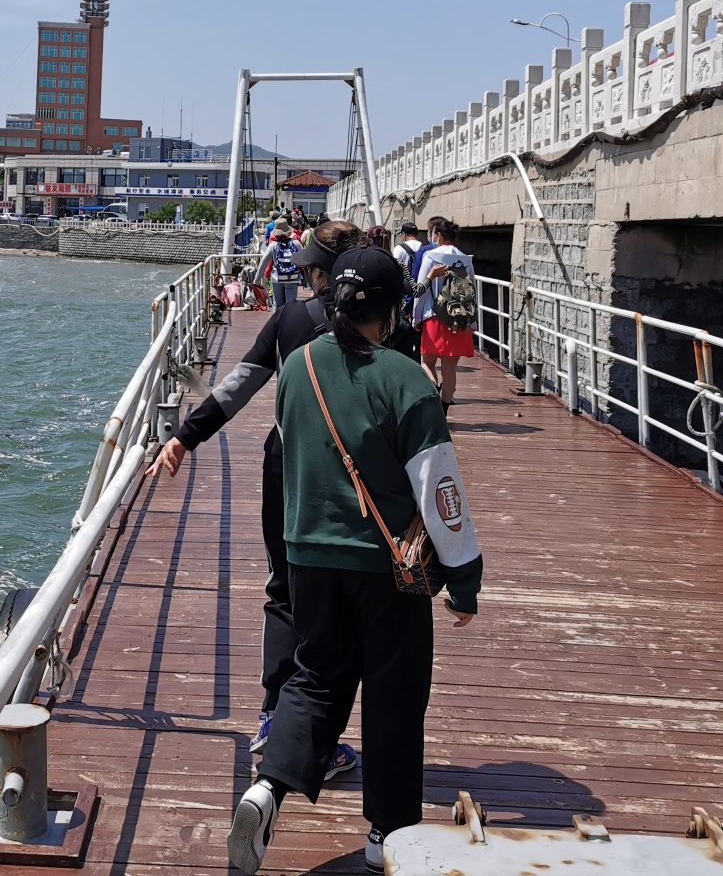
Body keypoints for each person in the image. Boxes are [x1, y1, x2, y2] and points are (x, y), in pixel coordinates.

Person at [228, 248, 483, 875]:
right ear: (394, 308)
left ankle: (267, 789)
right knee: (394, 696)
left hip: (308, 558)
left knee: (315, 678)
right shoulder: (406, 378)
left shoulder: (298, 368)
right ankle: (384, 836)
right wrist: (464, 581)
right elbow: (439, 490)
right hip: (385, 567)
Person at [146, 220, 364, 774]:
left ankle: (274, 717)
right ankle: (315, 736)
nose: (309, 277)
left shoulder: (290, 319)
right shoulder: (384, 324)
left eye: (313, 269)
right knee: (345, 601)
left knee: (285, 589)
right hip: (353, 479)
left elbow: (236, 386)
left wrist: (183, 438)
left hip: (286, 467)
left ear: (322, 273)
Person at [414, 219, 477, 405]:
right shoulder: (465, 259)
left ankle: (433, 400)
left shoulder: (431, 256)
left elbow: (421, 290)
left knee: (427, 363)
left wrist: (416, 318)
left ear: (438, 236)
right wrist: (473, 323)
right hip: (459, 318)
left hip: (434, 317)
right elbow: (472, 291)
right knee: (450, 370)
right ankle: (445, 408)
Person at [257, 217, 304, 309]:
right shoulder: (296, 243)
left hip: (277, 277)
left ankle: (278, 323)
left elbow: (264, 262)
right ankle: (289, 322)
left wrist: (256, 279)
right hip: (293, 278)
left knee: (278, 306)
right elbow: (304, 260)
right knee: (290, 307)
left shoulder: (273, 245)